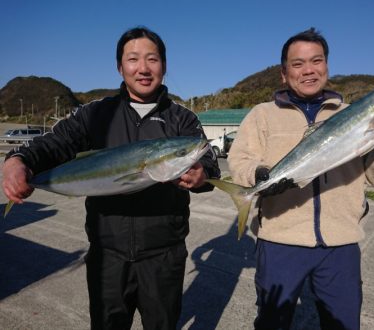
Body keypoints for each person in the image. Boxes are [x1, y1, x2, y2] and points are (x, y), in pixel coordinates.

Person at [2, 27, 220, 330]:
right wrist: (17, 160)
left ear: (164, 66)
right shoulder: (97, 114)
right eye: (133, 59)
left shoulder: (182, 119)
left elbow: (206, 160)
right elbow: (54, 143)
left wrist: (202, 174)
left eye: (152, 59)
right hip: (107, 256)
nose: (143, 68)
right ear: (120, 67)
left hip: (164, 255)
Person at [227, 28, 374, 330]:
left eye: (317, 61)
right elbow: (240, 159)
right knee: (272, 323)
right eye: (298, 64)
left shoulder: (353, 113)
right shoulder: (262, 114)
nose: (309, 70)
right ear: (283, 73)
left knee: (343, 324)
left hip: (341, 242)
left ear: (327, 66)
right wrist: (258, 175)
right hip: (281, 240)